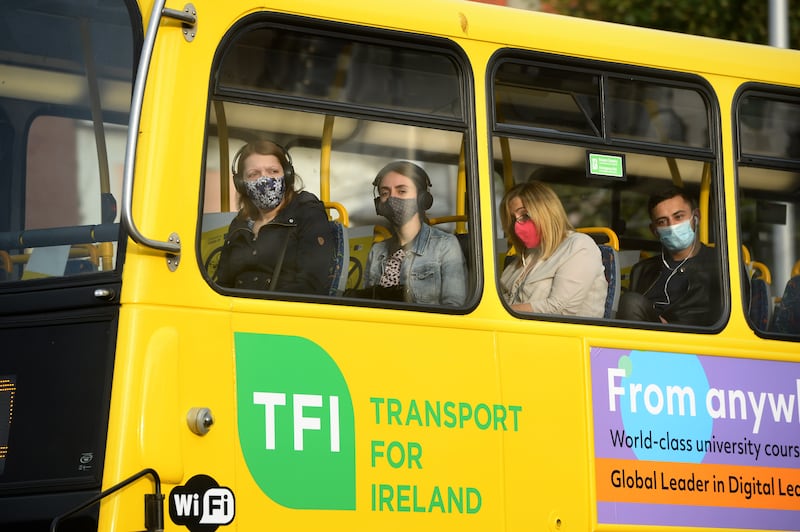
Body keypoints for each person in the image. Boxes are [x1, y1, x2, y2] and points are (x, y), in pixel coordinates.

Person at [215, 140, 335, 294]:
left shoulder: (307, 213)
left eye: (273, 171)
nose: (264, 180)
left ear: (287, 175)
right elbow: (222, 283)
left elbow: (312, 285)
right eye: (254, 174)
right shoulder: (240, 224)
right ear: (241, 184)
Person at [357, 161, 467, 305]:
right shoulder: (377, 251)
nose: (391, 199)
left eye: (402, 191)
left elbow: (454, 307)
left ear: (423, 199)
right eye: (385, 193)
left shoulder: (445, 246)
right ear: (379, 203)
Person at [499, 181, 607, 317]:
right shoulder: (526, 255)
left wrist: (500, 311)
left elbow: (560, 309)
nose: (517, 226)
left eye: (525, 216)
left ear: (546, 212)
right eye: (513, 220)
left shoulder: (580, 246)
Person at [616, 186, 720, 325]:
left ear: (696, 217)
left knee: (631, 303)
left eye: (678, 217)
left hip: (693, 341)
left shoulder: (721, 264)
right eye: (662, 222)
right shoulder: (642, 270)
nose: (672, 226)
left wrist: (671, 325)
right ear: (654, 230)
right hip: (645, 339)